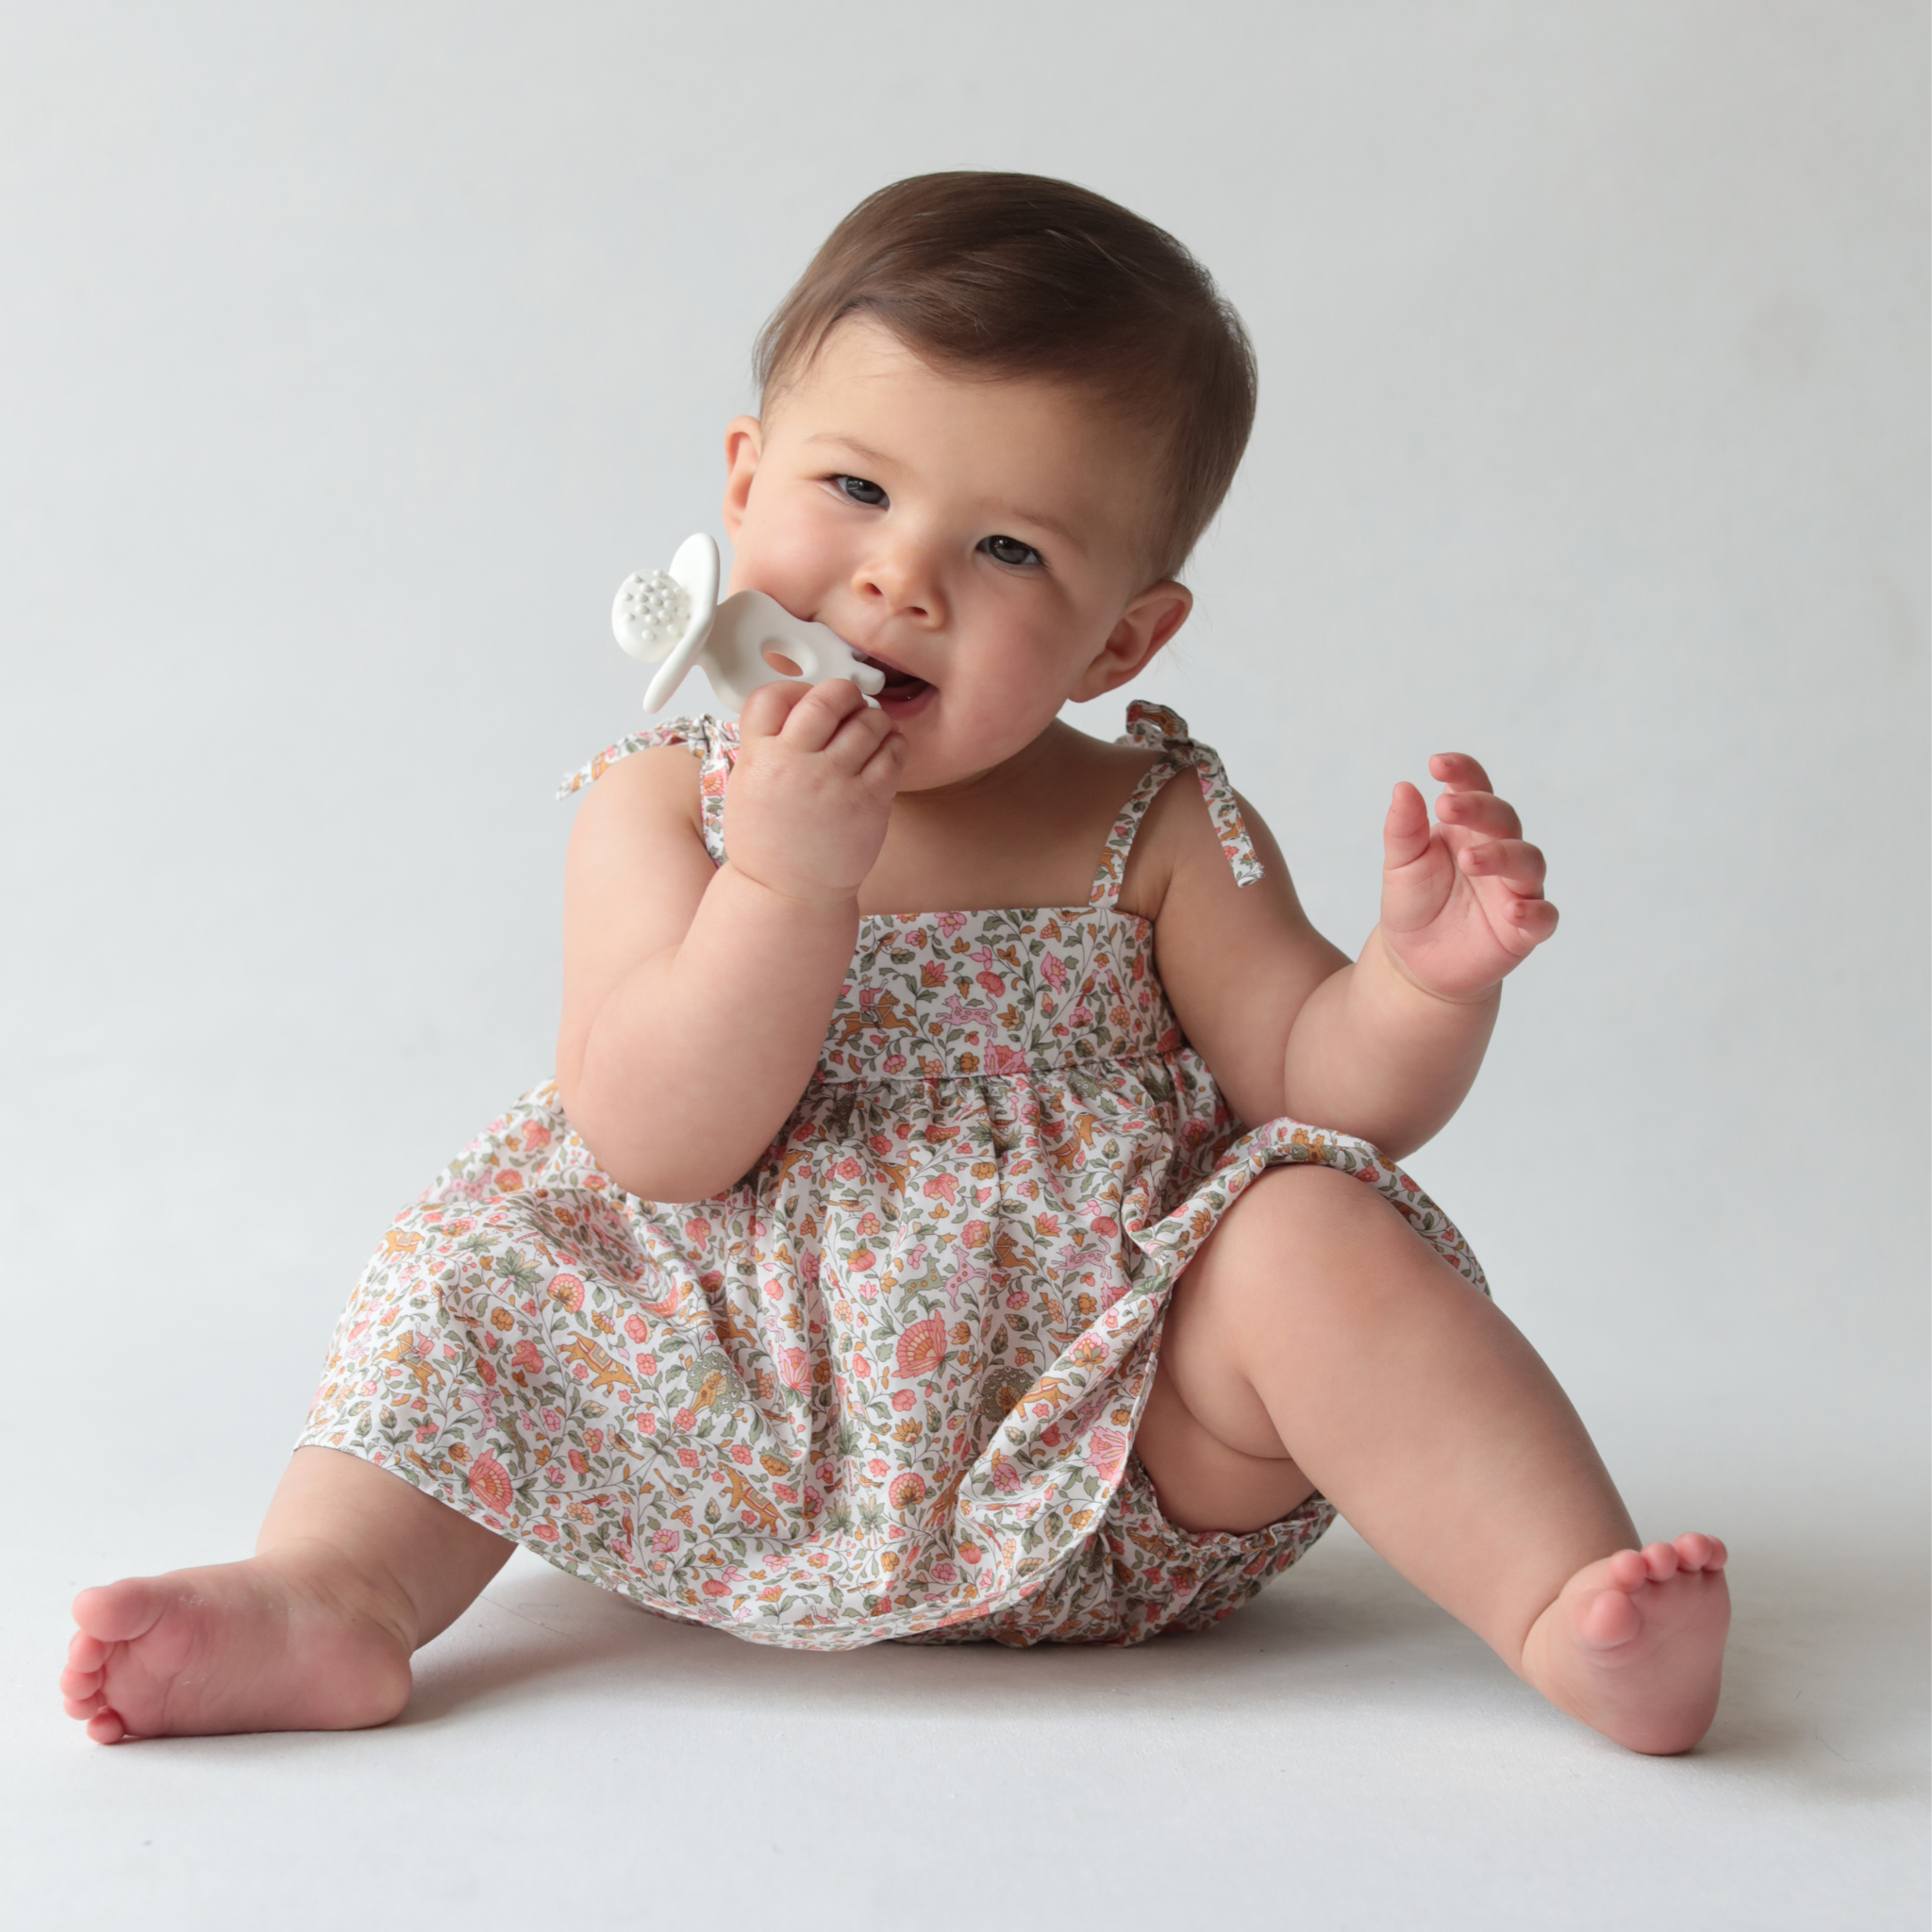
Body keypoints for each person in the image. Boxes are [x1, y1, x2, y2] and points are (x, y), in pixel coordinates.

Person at [59, 172, 1728, 1755]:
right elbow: (653, 1138)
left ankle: (1563, 1602)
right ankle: (335, 1595)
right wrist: (783, 881)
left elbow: (1318, 1085)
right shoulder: (666, 809)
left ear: (1123, 637)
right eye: (855, 489)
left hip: (1108, 1434)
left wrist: (1423, 986)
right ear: (743, 483)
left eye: (1011, 552)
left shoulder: (1150, 818)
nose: (900, 577)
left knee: (1316, 1230)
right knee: (470, 1279)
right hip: (723, 1412)